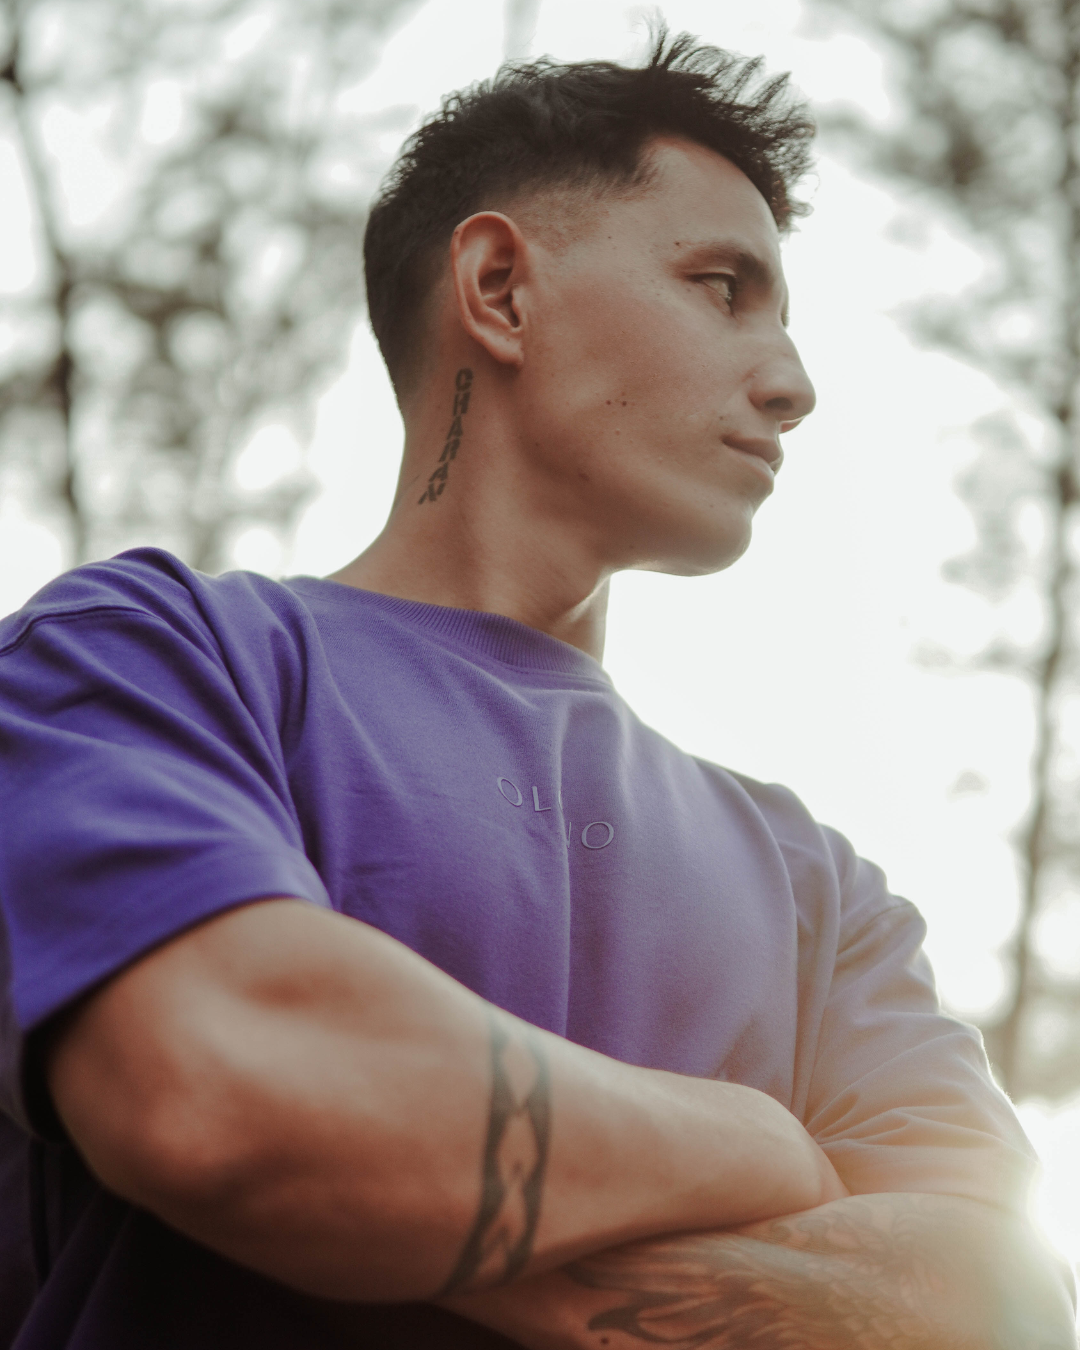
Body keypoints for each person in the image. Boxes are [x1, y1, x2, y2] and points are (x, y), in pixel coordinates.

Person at [0, 30, 1074, 1350]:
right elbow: (223, 1093)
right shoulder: (147, 659)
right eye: (722, 286)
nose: (792, 385)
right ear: (501, 289)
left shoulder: (821, 890)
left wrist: (391, 1200)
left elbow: (1001, 1306)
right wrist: (759, 1141)